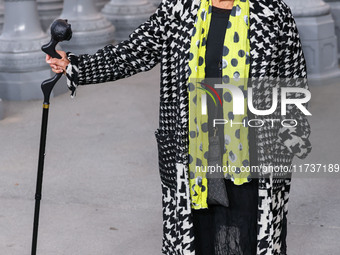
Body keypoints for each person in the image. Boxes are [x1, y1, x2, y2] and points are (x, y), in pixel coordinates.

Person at [45, 0, 312, 254]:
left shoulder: (272, 13)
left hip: (253, 153)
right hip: (192, 150)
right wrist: (75, 66)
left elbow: (293, 83)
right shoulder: (179, 10)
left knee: (249, 231)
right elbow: (131, 53)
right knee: (199, 232)